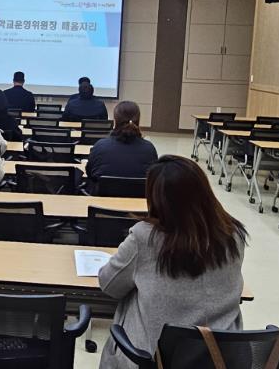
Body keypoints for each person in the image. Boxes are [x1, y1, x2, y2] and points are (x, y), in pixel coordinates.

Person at [98, 155, 248, 369]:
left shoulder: (145, 237)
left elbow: (109, 285)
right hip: (220, 359)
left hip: (153, 359)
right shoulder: (234, 235)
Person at [86, 101, 158, 193]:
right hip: (139, 201)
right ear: (138, 120)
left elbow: (89, 172)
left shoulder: (100, 146)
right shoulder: (149, 149)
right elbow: (153, 179)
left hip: (101, 200)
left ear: (115, 120)